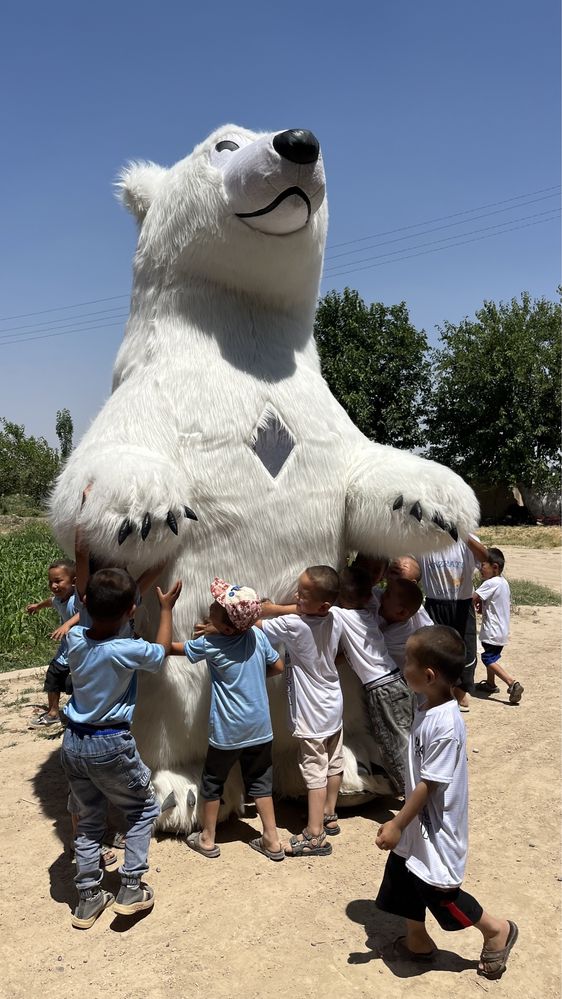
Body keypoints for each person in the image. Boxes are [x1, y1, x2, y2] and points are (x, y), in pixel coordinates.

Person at [375, 625, 518, 980]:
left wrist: (397, 823)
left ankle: (496, 930)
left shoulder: (445, 724)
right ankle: (417, 941)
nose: (402, 664)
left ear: (428, 675)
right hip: (418, 822)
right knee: (401, 875)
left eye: (407, 660)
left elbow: (430, 783)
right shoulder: (429, 704)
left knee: (440, 891)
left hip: (434, 825)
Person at [60, 568, 182, 929]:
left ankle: (88, 897)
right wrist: (166, 610)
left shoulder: (76, 639)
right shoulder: (126, 650)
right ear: (131, 611)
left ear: (83, 603)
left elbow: (94, 614)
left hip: (73, 742)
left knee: (88, 819)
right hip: (110, 742)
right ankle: (130, 887)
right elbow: (160, 654)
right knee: (144, 809)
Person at [172, 577, 285, 862]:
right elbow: (278, 665)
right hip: (260, 727)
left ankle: (207, 839)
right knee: (260, 781)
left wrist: (165, 613)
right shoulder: (257, 636)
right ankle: (272, 839)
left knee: (213, 781)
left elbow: (169, 649)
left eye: (215, 607)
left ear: (224, 626)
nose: (210, 607)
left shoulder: (210, 644)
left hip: (227, 731)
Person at [261, 565, 343, 857]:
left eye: (303, 593)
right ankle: (329, 814)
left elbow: (255, 624)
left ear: (321, 603)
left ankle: (315, 835)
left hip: (311, 712)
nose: (296, 595)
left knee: (315, 772)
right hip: (333, 703)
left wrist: (262, 608)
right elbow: (304, 611)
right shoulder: (334, 617)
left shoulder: (292, 625)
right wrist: (279, 606)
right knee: (334, 761)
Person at [334, 567, 414, 796]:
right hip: (394, 681)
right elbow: (353, 652)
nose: (381, 598)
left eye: (386, 596)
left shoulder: (342, 615)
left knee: (393, 744)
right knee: (401, 738)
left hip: (382, 688)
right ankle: (415, 786)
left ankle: (412, 796)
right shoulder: (370, 617)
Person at [420, 535, 488, 711]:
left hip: (462, 603)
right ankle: (439, 693)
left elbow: (485, 558)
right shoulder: (424, 538)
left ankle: (460, 691)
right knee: (435, 651)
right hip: (435, 603)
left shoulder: (467, 539)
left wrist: (463, 534)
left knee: (466, 650)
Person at [26, 559, 79, 726]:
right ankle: (54, 712)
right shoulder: (58, 599)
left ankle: (81, 709)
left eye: (58, 581)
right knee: (53, 676)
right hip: (67, 648)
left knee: (78, 680)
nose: (53, 586)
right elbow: (50, 601)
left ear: (74, 582)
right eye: (51, 582)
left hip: (83, 648)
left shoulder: (77, 599)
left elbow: (85, 611)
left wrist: (67, 624)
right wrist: (37, 606)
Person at [473, 548, 523, 704]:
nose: (480, 568)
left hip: (492, 630)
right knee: (490, 654)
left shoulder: (491, 582)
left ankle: (511, 682)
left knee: (487, 658)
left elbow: (472, 598)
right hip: (501, 630)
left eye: (483, 565)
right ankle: (490, 684)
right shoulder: (503, 582)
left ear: (495, 567)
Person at [377, 578, 424, 672]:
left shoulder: (399, 635)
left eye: (387, 595)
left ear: (401, 612)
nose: (381, 596)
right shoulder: (393, 619)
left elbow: (369, 647)